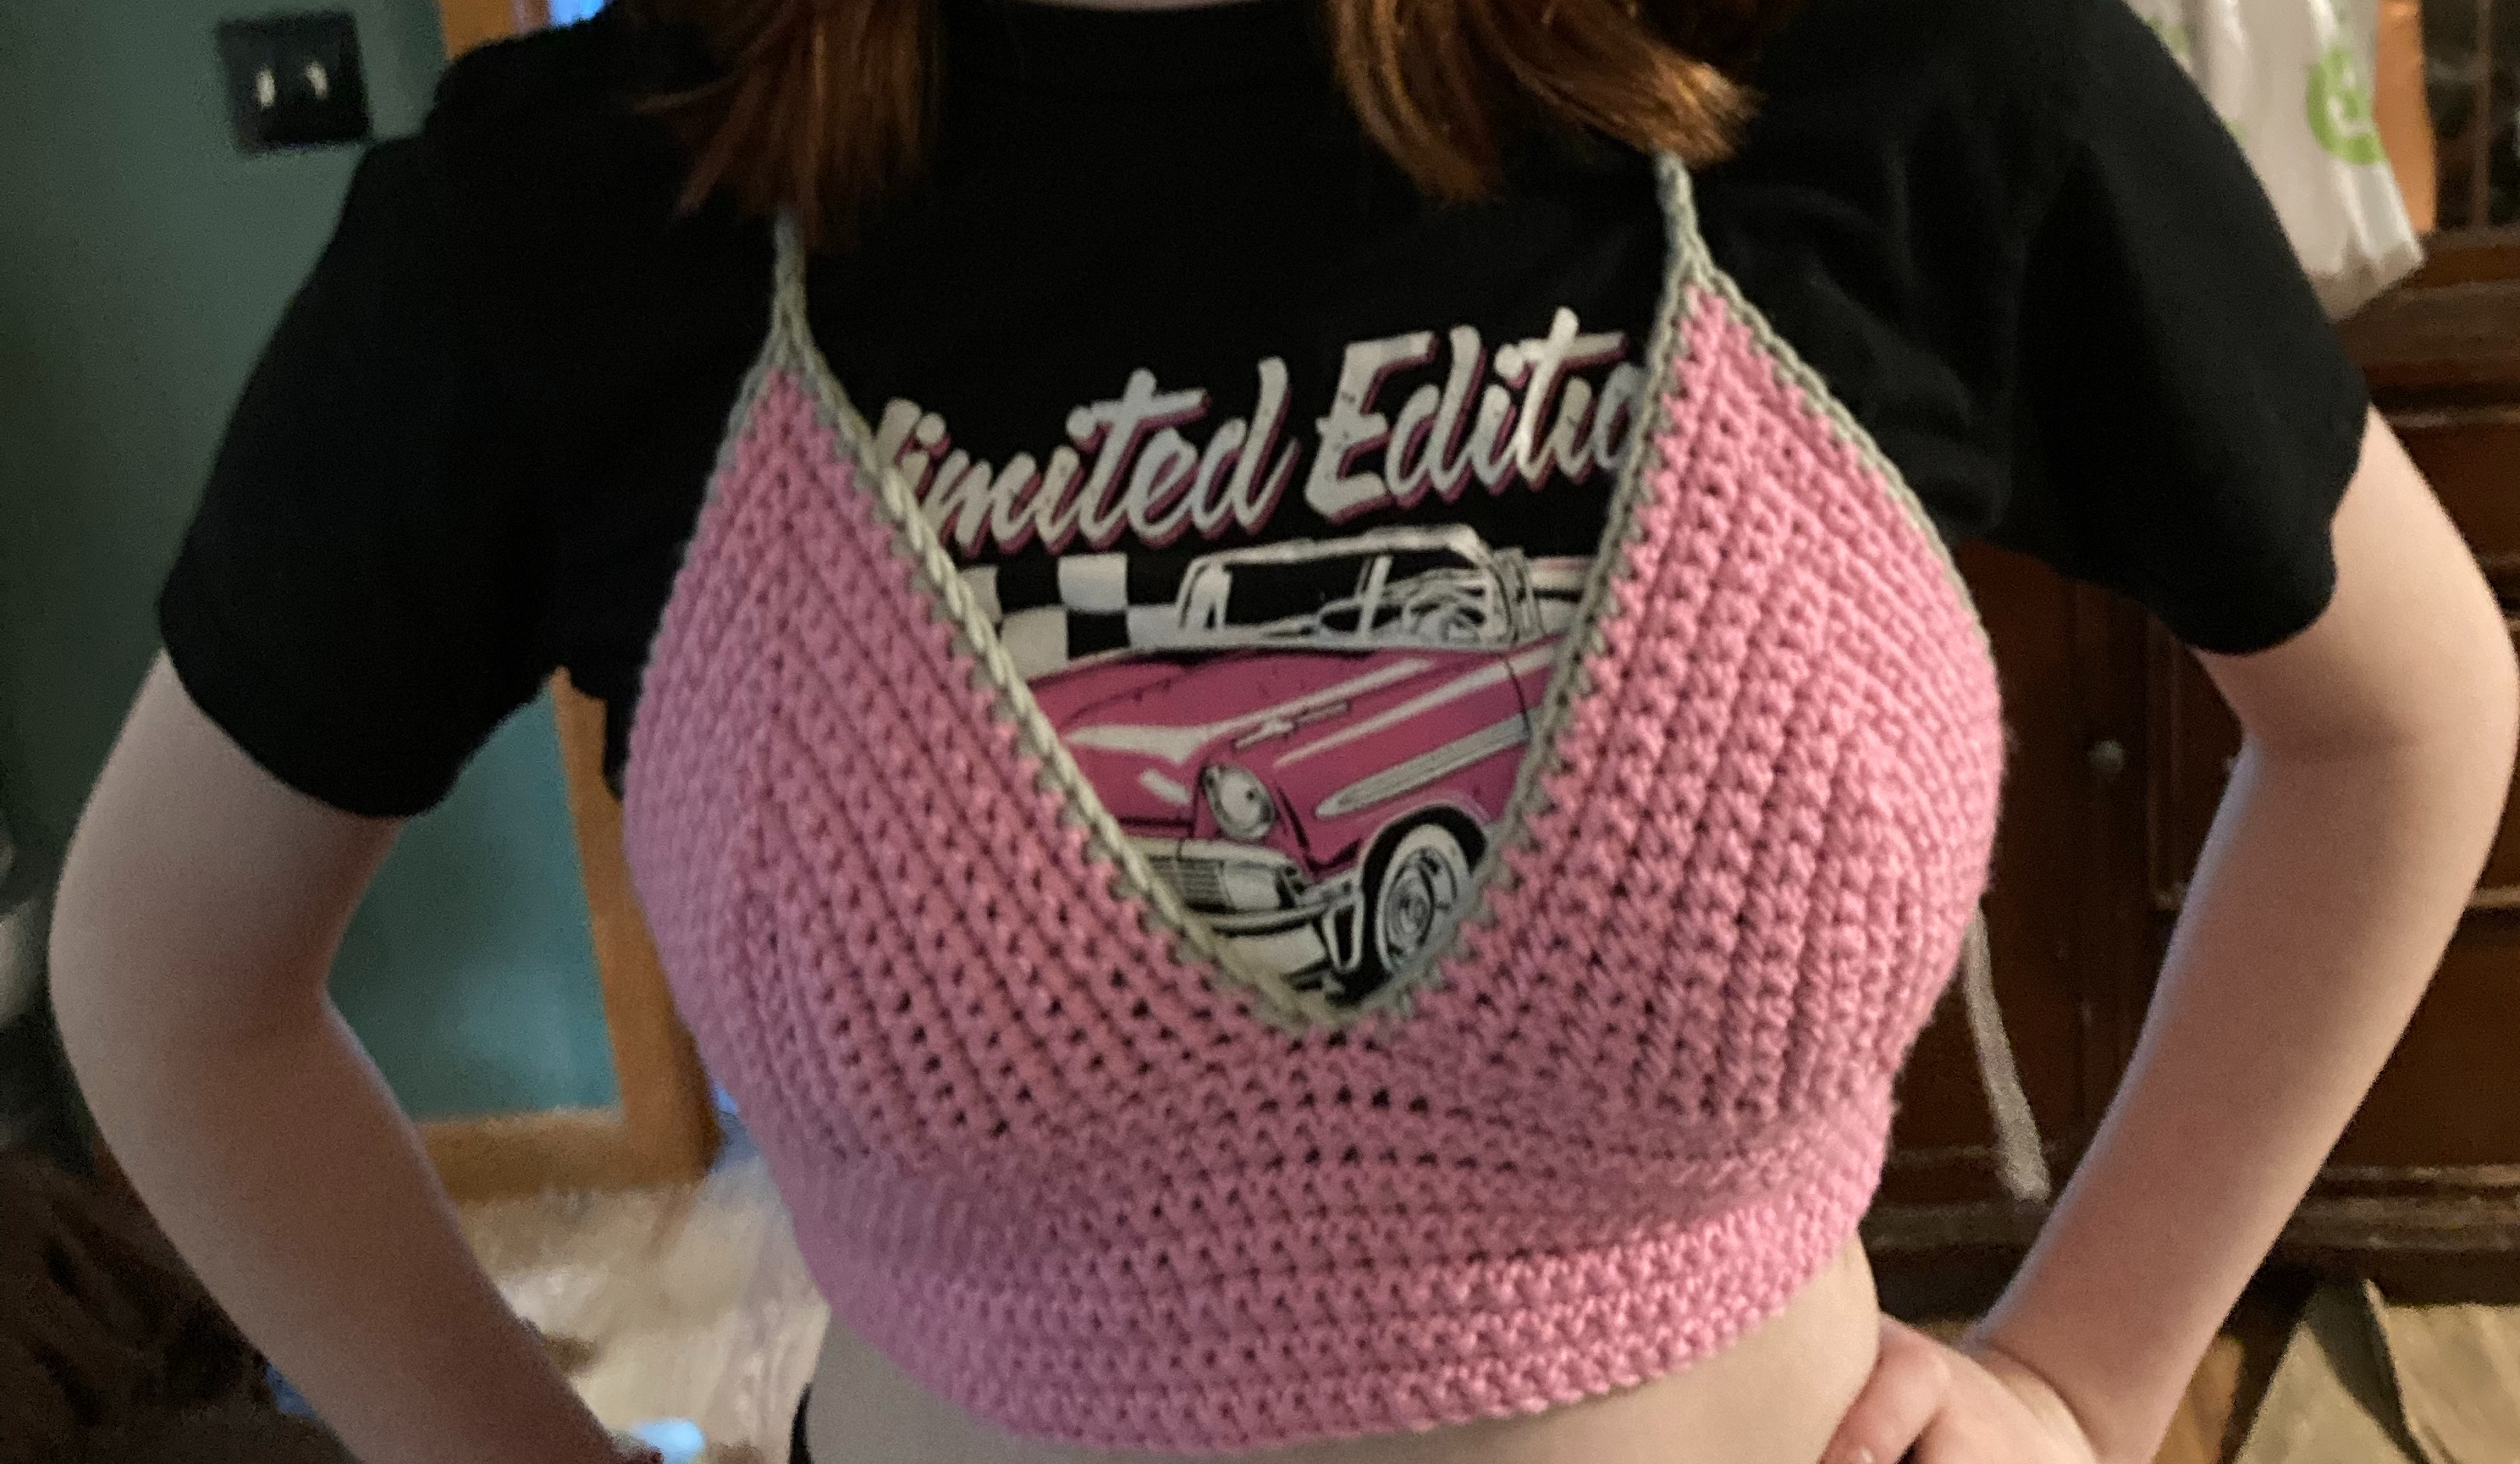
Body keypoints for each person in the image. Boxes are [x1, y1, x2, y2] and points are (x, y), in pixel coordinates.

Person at [49, 0, 2516, 1461]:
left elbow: (2398, 723)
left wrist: (2084, 1372)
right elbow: (168, 979)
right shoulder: (580, 218)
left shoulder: (1908, 75)